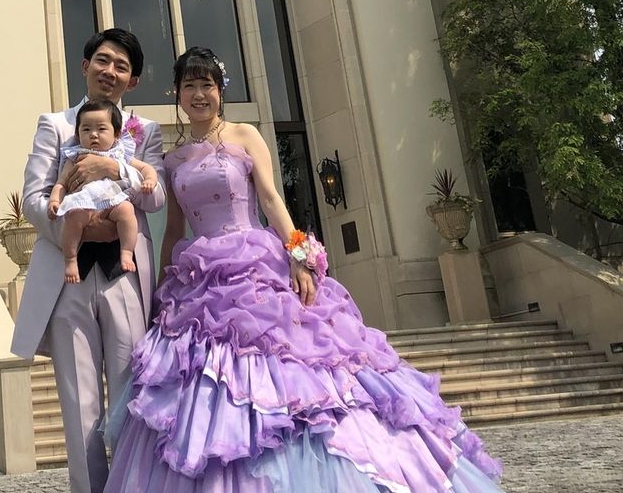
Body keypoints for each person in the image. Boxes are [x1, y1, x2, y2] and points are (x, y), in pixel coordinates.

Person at [104, 46, 505, 493]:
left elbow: (271, 199)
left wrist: (298, 257)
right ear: (177, 93)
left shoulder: (244, 135)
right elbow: (175, 229)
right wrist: (163, 286)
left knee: (297, 368)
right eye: (190, 86)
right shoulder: (173, 159)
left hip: (255, 265)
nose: (199, 94)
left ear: (220, 91)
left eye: (207, 85)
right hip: (199, 279)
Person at [11, 28, 165, 493]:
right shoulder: (55, 125)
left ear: (132, 81)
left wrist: (114, 167)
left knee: (130, 393)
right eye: (103, 60)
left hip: (125, 276)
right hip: (69, 276)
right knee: (79, 404)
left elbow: (155, 198)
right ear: (85, 66)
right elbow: (35, 198)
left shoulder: (146, 132)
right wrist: (76, 231)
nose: (110, 71)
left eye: (122, 66)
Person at [49, 99, 159, 282]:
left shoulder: (119, 154)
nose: (93, 135)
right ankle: (70, 259)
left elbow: (146, 168)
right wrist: (54, 200)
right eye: (86, 129)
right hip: (84, 204)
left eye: (101, 129)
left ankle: (126, 252)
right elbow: (61, 183)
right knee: (74, 217)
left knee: (127, 210)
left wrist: (150, 180)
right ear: (77, 134)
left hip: (112, 202)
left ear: (116, 134)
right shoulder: (75, 157)